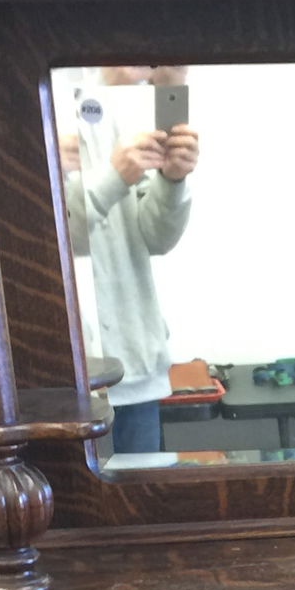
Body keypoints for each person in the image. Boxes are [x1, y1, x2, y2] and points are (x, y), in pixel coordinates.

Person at [58, 67, 199, 455]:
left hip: (135, 370)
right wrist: (114, 176)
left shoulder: (141, 110)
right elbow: (63, 238)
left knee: (143, 506)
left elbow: (157, 238)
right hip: (64, 382)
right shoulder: (46, 97)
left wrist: (173, 182)